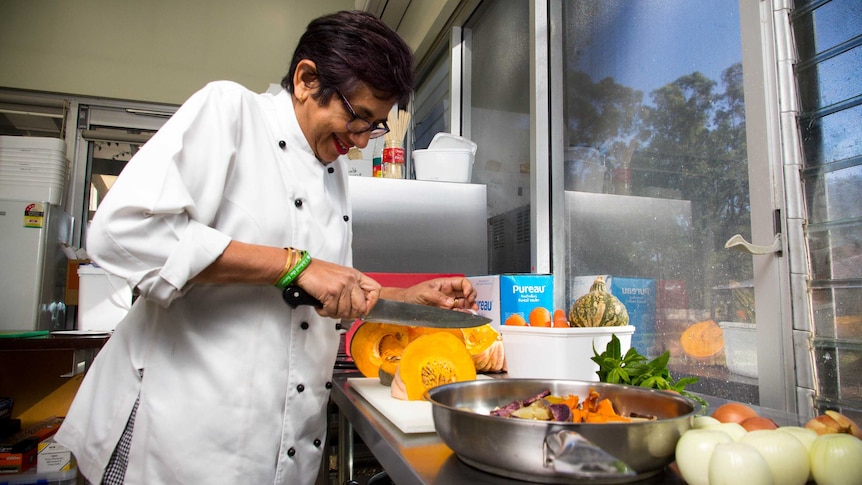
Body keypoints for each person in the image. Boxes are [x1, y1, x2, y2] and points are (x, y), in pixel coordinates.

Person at [55, 10, 477, 485]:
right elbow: (121, 232)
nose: (359, 142)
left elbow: (325, 296)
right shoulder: (231, 113)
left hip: (278, 447)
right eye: (357, 117)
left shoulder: (333, 171)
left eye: (374, 126)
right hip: (175, 436)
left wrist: (403, 299)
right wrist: (292, 265)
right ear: (305, 79)